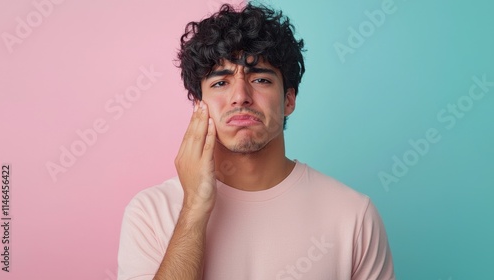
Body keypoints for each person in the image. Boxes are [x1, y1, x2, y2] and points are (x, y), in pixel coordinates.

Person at [117, 3, 395, 280]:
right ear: (198, 105)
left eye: (260, 79)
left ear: (288, 100)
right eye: (220, 83)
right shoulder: (150, 212)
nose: (241, 96)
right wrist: (193, 209)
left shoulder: (354, 215)